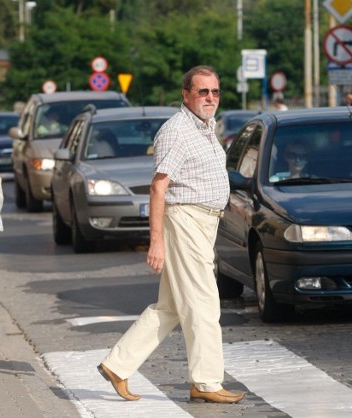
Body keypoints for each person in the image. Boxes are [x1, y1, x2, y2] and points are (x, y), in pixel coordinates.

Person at [97, 65, 245, 404]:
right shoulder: (176, 130)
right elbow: (158, 188)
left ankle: (117, 365)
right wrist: (156, 242)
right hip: (185, 220)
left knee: (172, 306)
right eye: (203, 91)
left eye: (215, 92)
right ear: (186, 95)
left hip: (203, 222)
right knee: (205, 304)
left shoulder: (206, 127)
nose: (210, 97)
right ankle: (206, 383)